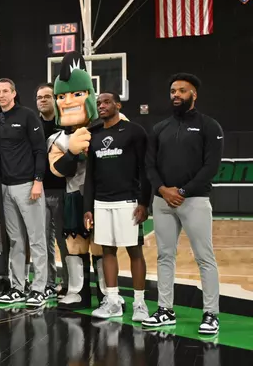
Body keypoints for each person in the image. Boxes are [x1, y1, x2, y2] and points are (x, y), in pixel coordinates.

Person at [142, 73, 222, 335]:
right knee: (165, 256)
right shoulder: (159, 128)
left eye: (182, 91)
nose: (176, 95)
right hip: (163, 201)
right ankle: (165, 310)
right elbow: (149, 165)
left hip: (194, 200)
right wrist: (163, 190)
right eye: (173, 91)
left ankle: (211, 314)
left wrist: (184, 191)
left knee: (204, 258)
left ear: (194, 95)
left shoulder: (209, 126)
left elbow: (210, 167)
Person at [84, 92, 151, 322]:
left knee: (134, 251)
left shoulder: (134, 131)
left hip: (128, 201)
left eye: (106, 102)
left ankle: (140, 303)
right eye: (99, 103)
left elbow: (145, 169)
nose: (101, 106)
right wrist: (88, 207)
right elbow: (90, 175)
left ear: (117, 105)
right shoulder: (94, 134)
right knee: (107, 251)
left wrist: (144, 202)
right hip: (101, 202)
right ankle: (113, 302)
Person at [47, 52, 104, 310]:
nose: (68, 101)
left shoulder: (109, 129)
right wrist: (72, 151)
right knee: (74, 245)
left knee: (102, 246)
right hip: (73, 196)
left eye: (76, 94)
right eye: (61, 96)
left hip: (104, 196)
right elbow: (58, 170)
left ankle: (107, 292)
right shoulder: (56, 139)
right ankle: (78, 291)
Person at [0, 78, 48, 307]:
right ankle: (18, 287)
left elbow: (40, 149)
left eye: (6, 91)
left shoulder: (27, 115)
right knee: (15, 240)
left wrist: (38, 181)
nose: (2, 95)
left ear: (14, 93)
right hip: (5, 187)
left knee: (37, 240)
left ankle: (40, 289)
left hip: (27, 185)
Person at [36, 83, 68, 294]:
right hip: (39, 191)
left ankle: (68, 283)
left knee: (65, 241)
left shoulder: (66, 124)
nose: (44, 100)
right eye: (40, 97)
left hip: (63, 190)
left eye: (48, 96)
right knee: (43, 240)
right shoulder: (34, 125)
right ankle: (48, 282)